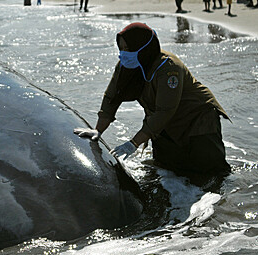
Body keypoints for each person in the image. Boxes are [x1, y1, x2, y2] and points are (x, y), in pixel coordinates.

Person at [74, 23, 230, 186]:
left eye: (129, 48)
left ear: (143, 48)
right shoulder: (126, 65)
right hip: (162, 125)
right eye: (121, 48)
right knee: (168, 172)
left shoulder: (168, 68)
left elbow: (165, 111)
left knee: (212, 175)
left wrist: (133, 144)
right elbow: (111, 97)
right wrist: (98, 130)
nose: (124, 54)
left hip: (197, 120)